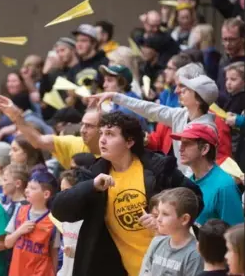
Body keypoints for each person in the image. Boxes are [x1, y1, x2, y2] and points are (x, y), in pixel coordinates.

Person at [51, 112, 203, 276]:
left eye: (110, 134)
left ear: (129, 141)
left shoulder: (158, 168)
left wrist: (167, 222)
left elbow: (195, 199)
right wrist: (91, 186)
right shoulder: (95, 174)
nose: (102, 139)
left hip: (163, 267)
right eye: (101, 133)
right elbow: (59, 210)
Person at [90, 64, 223, 175]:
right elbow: (149, 108)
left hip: (196, 183)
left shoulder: (207, 128)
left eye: (186, 89)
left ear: (198, 100)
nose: (178, 91)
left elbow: (199, 166)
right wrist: (115, 96)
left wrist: (184, 185)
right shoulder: (179, 114)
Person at [0, 94, 101, 170]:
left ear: (102, 130)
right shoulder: (73, 143)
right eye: (83, 125)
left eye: (89, 126)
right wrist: (16, 116)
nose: (82, 130)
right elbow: (38, 140)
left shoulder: (114, 149)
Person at [170, 123, 243, 226]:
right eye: (181, 143)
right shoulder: (190, 181)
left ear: (205, 149)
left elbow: (236, 235)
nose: (180, 148)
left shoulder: (224, 187)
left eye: (187, 143)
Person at [5, 168, 60, 276]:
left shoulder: (53, 220)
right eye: (27, 187)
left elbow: (54, 253)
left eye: (33, 188)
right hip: (17, 271)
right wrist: (19, 231)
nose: (27, 190)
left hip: (41, 272)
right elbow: (7, 243)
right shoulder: (20, 210)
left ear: (46, 194)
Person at [139, 187, 203, 276]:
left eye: (165, 214)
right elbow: (145, 272)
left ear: (184, 219)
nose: (158, 219)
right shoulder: (157, 242)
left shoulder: (195, 254)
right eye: (158, 214)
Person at [100, 64, 149, 131]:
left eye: (109, 80)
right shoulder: (121, 100)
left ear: (122, 83)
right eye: (104, 80)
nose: (104, 85)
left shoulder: (127, 107)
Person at [40, 37, 79, 120]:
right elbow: (43, 92)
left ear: (73, 50)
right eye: (57, 52)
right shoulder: (58, 73)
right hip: (59, 117)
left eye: (62, 50)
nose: (60, 54)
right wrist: (45, 72)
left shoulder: (80, 69)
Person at [57, 170, 84, 276]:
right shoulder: (64, 219)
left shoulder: (88, 220)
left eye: (66, 190)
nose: (62, 195)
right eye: (61, 190)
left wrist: (75, 252)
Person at [217, 18, 245, 106]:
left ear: (242, 38)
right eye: (225, 39)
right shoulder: (224, 61)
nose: (228, 44)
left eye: (232, 39)